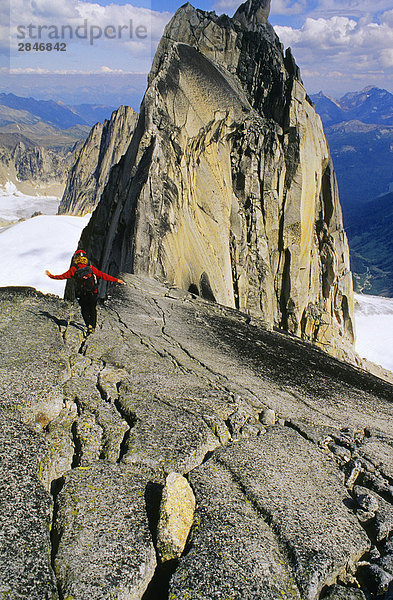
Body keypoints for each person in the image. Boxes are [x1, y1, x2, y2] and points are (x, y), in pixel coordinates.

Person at [46, 249, 125, 335]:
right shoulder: (90, 268)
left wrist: (51, 276)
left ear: (76, 258)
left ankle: (89, 326)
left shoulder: (74, 269)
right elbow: (102, 275)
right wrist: (116, 280)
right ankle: (93, 327)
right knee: (92, 309)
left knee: (84, 310)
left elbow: (62, 276)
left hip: (81, 293)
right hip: (92, 292)